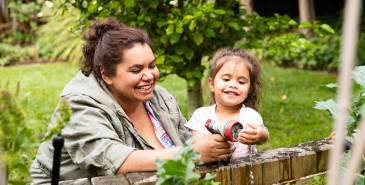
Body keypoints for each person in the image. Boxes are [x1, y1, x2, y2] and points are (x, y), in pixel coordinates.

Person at [30, 17, 234, 183]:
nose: (149, 76)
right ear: (107, 75)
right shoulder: (79, 103)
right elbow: (112, 160)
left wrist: (216, 147)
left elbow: (185, 143)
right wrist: (193, 154)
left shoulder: (159, 98)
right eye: (136, 70)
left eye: (152, 66)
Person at [185, 48, 269, 157]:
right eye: (226, 79)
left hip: (244, 171)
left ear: (249, 89)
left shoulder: (249, 116)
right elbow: (197, 145)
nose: (233, 85)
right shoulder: (201, 116)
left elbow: (261, 135)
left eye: (241, 82)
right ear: (211, 84)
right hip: (209, 172)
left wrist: (261, 135)